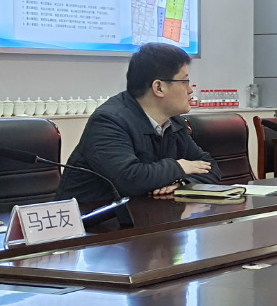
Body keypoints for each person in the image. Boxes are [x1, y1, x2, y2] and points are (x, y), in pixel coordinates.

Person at [60, 43, 219, 204]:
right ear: (159, 88)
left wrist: (182, 183)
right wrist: (179, 167)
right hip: (94, 216)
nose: (190, 90)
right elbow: (130, 179)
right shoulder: (109, 121)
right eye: (184, 81)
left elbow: (210, 167)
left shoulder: (173, 122)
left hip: (148, 213)